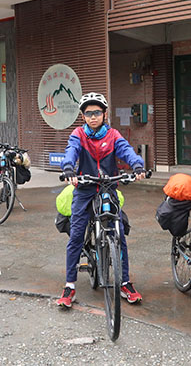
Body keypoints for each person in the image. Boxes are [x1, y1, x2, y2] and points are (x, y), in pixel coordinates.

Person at [56, 92, 146, 308]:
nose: (93, 117)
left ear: (104, 114)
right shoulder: (78, 134)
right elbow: (71, 152)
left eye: (97, 112)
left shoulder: (113, 135)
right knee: (76, 235)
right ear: (83, 116)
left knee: (119, 233)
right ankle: (70, 286)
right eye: (88, 113)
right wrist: (68, 167)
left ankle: (124, 282)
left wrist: (137, 165)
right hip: (85, 189)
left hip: (108, 188)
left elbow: (126, 151)